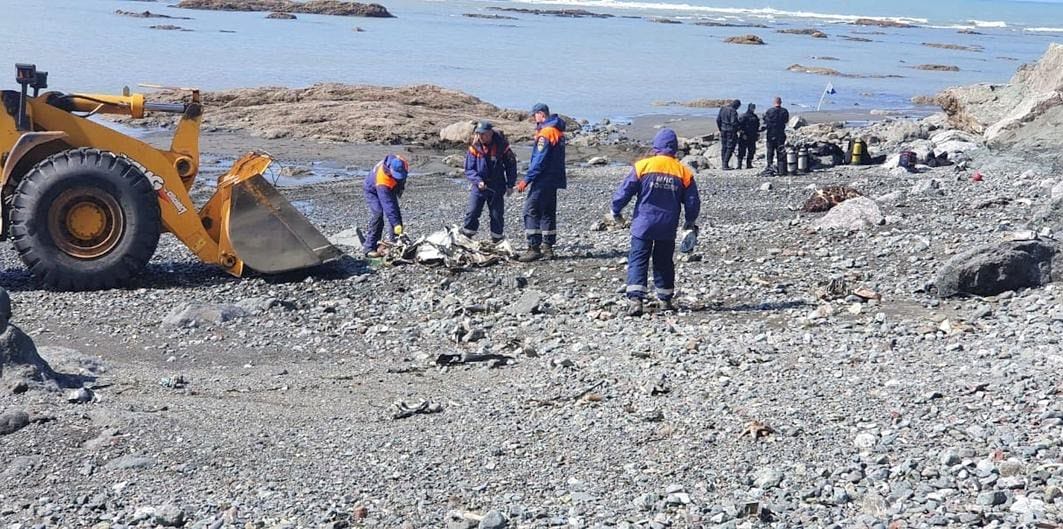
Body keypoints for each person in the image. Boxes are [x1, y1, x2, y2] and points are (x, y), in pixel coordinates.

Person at [610, 128, 701, 316]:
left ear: (656, 146)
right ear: (675, 148)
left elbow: (625, 191)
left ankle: (635, 300)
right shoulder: (683, 172)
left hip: (643, 224)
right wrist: (690, 222)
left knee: (638, 259)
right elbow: (692, 202)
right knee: (664, 262)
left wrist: (616, 210)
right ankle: (665, 299)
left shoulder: (643, 166)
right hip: (667, 226)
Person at [517, 103, 567, 262]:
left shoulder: (546, 133)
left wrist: (527, 179)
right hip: (554, 178)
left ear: (541, 114)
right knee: (548, 211)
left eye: (534, 115)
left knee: (530, 210)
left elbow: (540, 160)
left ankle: (534, 247)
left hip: (543, 178)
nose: (534, 119)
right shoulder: (557, 131)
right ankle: (548, 248)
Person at [462, 121, 517, 242]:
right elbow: (469, 169)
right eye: (479, 134)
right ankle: (467, 236)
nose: (481, 137)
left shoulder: (502, 145)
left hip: (496, 185)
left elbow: (511, 164)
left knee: (497, 215)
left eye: (484, 134)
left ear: (490, 133)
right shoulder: (474, 147)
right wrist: (477, 181)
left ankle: (497, 239)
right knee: (472, 212)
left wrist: (510, 184)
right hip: (479, 185)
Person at [362, 154, 409, 258]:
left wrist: (399, 188)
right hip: (372, 190)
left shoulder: (402, 162)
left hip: (390, 187)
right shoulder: (382, 180)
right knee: (378, 214)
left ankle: (396, 242)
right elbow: (388, 207)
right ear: (390, 170)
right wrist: (396, 224)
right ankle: (369, 247)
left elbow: (402, 178)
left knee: (396, 213)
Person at [763, 96, 790, 174]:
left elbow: (766, 121)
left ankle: (769, 167)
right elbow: (786, 121)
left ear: (774, 102)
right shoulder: (784, 111)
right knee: (781, 152)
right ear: (780, 102)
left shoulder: (769, 111)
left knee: (770, 152)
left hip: (771, 134)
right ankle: (781, 169)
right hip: (780, 134)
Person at [716, 99, 741, 170]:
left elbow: (718, 120)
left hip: (723, 129)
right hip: (730, 131)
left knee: (724, 147)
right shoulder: (733, 111)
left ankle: (723, 163)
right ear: (737, 106)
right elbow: (733, 122)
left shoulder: (723, 109)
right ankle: (725, 164)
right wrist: (738, 128)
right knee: (730, 147)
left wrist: (720, 128)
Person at [736, 103, 760, 169]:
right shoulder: (744, 116)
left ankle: (749, 164)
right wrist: (743, 134)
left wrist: (757, 134)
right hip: (744, 136)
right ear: (749, 108)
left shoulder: (755, 117)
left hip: (752, 136)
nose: (753, 109)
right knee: (741, 151)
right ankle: (739, 165)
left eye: (754, 108)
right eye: (752, 108)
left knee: (751, 151)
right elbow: (739, 126)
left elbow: (757, 126)